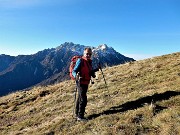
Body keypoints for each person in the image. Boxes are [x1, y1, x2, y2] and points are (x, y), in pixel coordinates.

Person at [72, 47, 100, 121]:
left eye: (90, 54)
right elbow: (74, 71)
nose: (88, 55)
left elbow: (89, 72)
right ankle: (80, 116)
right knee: (83, 99)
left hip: (86, 82)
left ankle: (77, 113)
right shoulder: (80, 61)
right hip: (80, 82)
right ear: (84, 53)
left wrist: (97, 69)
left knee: (80, 97)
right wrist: (76, 75)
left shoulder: (89, 62)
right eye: (87, 54)